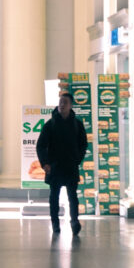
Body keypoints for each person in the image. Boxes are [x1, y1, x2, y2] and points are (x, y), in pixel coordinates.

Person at [36, 91, 88, 236]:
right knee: (54, 197)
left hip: (71, 166)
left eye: (65, 102)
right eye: (60, 102)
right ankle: (55, 223)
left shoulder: (77, 124)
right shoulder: (50, 124)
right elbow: (40, 145)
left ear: (71, 105)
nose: (62, 105)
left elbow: (83, 144)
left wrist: (78, 158)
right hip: (55, 167)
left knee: (73, 196)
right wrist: (45, 163)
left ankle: (74, 221)